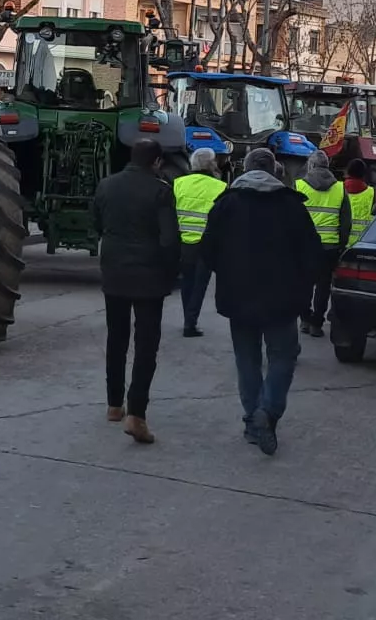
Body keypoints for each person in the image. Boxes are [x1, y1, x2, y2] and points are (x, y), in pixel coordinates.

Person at [199, 149, 323, 457]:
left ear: (245, 169)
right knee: (282, 357)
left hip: (238, 297)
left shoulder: (227, 203)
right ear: (277, 171)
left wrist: (229, 273)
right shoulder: (291, 206)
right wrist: (304, 289)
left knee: (247, 360)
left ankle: (252, 422)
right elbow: (313, 255)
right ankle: (267, 412)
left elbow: (207, 252)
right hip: (282, 299)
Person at [92, 137, 181, 444]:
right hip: (149, 278)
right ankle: (137, 413)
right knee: (146, 346)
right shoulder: (160, 191)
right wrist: (172, 273)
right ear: (156, 162)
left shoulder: (106, 185)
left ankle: (114, 405)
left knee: (116, 338)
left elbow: (96, 224)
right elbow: (169, 239)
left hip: (114, 273)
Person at [172, 148, 227, 338]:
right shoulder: (219, 187)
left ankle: (188, 317)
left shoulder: (178, 183)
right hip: (206, 243)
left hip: (183, 241)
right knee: (200, 285)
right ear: (212, 164)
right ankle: (190, 322)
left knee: (187, 282)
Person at [294, 150, 348, 337]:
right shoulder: (340, 188)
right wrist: (341, 245)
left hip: (304, 246)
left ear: (311, 165)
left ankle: (305, 319)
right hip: (330, 247)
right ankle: (317, 323)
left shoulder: (299, 186)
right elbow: (345, 222)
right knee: (323, 287)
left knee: (303, 285)